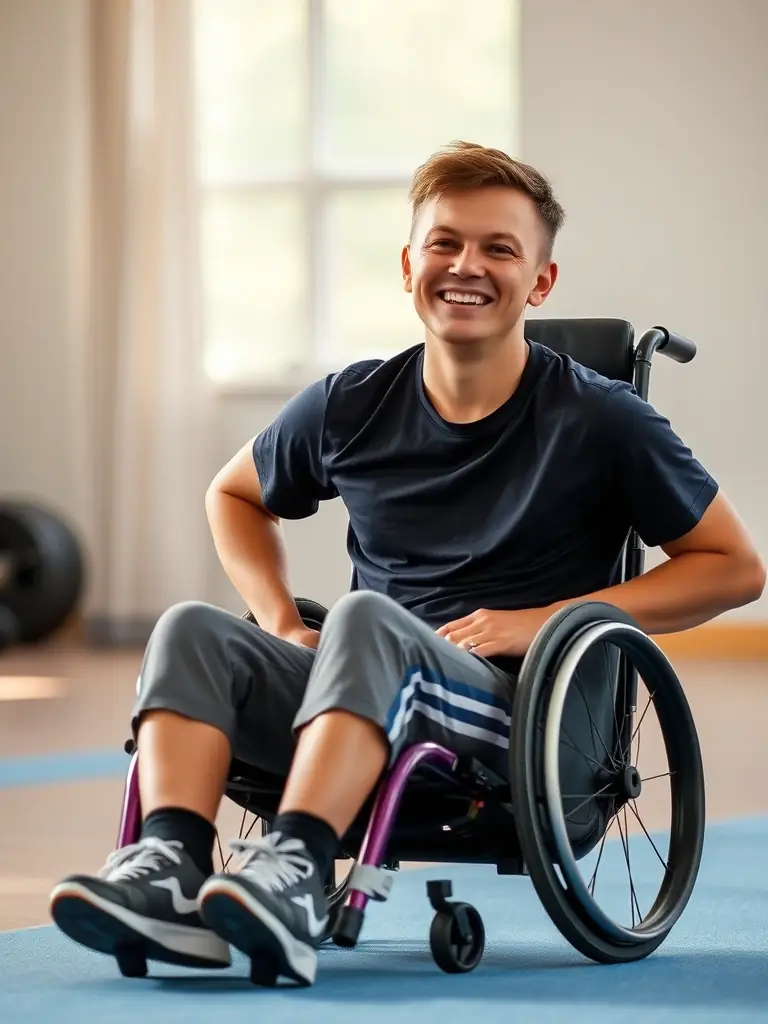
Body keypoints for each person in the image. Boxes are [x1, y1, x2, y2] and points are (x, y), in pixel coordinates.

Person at [49, 141, 765, 987]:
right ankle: (168, 868)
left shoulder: (601, 418)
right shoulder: (352, 401)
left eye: (499, 248)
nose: (467, 265)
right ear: (408, 265)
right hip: (365, 686)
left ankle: (299, 873)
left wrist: (549, 621)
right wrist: (280, 621)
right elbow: (232, 495)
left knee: (361, 619)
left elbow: (732, 567)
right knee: (194, 631)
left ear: (540, 282)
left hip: (517, 712)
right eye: (445, 243)